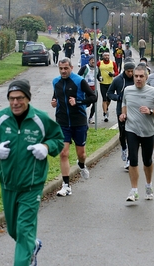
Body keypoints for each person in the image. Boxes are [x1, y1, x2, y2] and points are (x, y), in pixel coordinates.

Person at [0, 79, 64, 266]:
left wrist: (45, 146)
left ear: (28, 99)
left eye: (19, 98)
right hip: (8, 184)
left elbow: (58, 139)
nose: (15, 103)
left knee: (24, 228)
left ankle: (24, 260)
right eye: (11, 99)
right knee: (13, 230)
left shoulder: (40, 119)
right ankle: (32, 245)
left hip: (32, 185)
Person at [119, 64, 154, 202]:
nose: (138, 79)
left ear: (146, 77)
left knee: (147, 161)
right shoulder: (128, 90)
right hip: (131, 129)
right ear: (133, 77)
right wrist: (123, 114)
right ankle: (134, 190)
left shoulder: (153, 92)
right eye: (136, 76)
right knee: (133, 159)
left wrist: (151, 111)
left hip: (148, 131)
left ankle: (148, 185)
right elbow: (124, 103)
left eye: (141, 76)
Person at [51, 58, 97, 196]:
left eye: (66, 68)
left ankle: (81, 164)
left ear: (71, 67)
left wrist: (78, 101)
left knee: (81, 154)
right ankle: (66, 185)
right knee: (63, 153)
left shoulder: (79, 81)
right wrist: (54, 102)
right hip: (62, 121)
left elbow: (93, 97)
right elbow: (56, 96)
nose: (63, 71)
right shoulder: (56, 82)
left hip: (79, 121)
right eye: (61, 69)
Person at [107, 61, 135, 170]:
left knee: (131, 135)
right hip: (121, 110)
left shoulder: (136, 79)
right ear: (125, 70)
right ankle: (124, 148)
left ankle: (129, 159)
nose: (130, 74)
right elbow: (109, 93)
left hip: (134, 110)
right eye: (128, 71)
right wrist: (118, 97)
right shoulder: (118, 80)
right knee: (123, 134)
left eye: (132, 71)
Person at [78, 55, 102, 124]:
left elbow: (98, 77)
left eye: (95, 60)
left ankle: (90, 118)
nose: (93, 61)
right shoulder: (85, 67)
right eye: (92, 60)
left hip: (93, 88)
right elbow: (78, 76)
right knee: (86, 104)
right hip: (85, 89)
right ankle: (83, 117)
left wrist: (100, 78)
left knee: (94, 104)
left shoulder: (97, 68)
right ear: (89, 61)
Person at [97, 51, 119, 122]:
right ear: (103, 56)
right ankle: (105, 114)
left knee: (109, 99)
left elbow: (116, 72)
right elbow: (96, 71)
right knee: (104, 99)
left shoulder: (112, 63)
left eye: (108, 56)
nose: (106, 57)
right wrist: (98, 77)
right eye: (105, 56)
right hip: (102, 83)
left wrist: (113, 75)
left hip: (110, 83)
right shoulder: (99, 63)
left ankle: (106, 108)